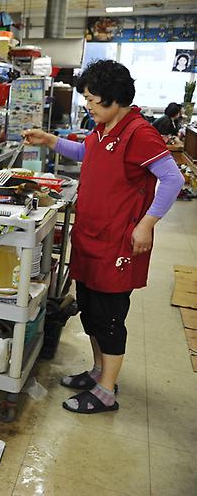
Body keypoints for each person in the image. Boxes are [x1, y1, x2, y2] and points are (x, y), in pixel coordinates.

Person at [23, 60, 184, 415]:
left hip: (117, 243)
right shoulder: (102, 128)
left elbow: (173, 180)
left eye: (94, 100)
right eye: (86, 99)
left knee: (110, 318)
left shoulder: (139, 132)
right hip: (92, 237)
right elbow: (85, 153)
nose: (89, 106)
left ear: (115, 99)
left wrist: (147, 224)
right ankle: (99, 373)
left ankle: (107, 391)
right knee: (92, 312)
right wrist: (50, 140)